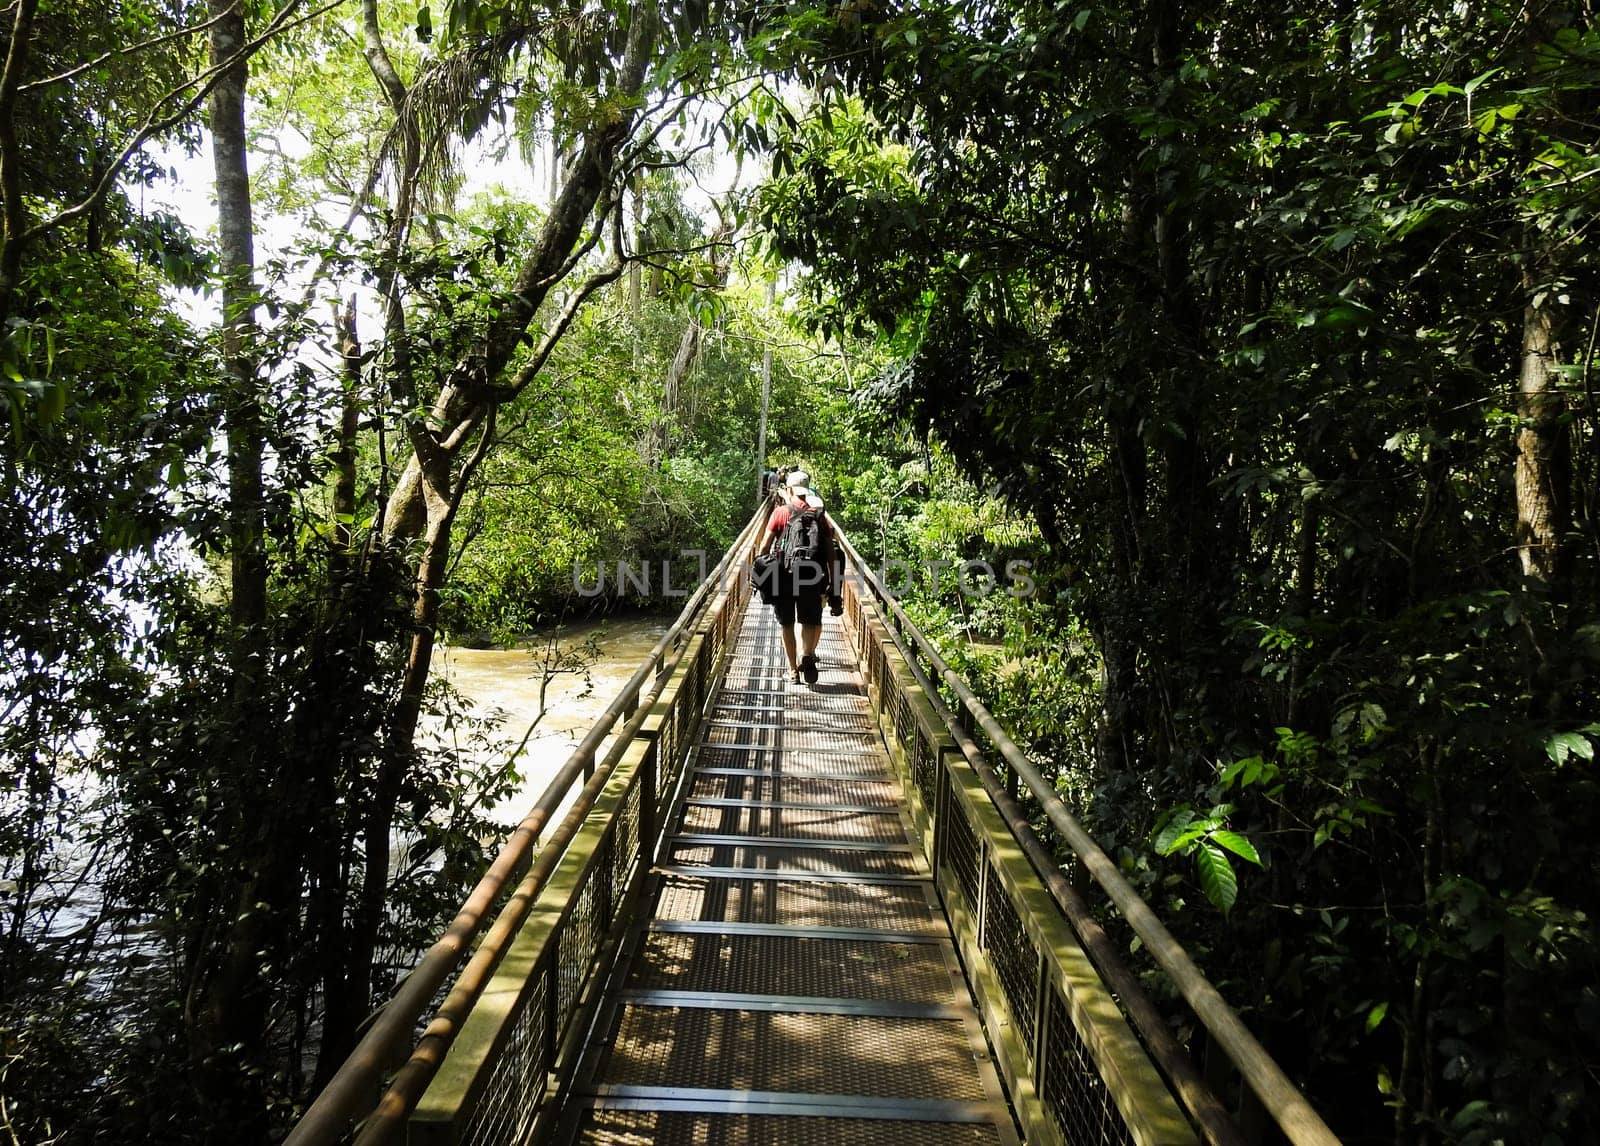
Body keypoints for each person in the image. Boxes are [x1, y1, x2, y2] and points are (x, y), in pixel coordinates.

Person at [757, 469, 842, 685]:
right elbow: (832, 553)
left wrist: (760, 573)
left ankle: (793, 671)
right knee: (808, 620)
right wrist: (834, 583)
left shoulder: (780, 513)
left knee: (787, 623)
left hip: (784, 575)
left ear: (791, 489)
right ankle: (807, 653)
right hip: (811, 576)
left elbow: (765, 547)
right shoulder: (819, 516)